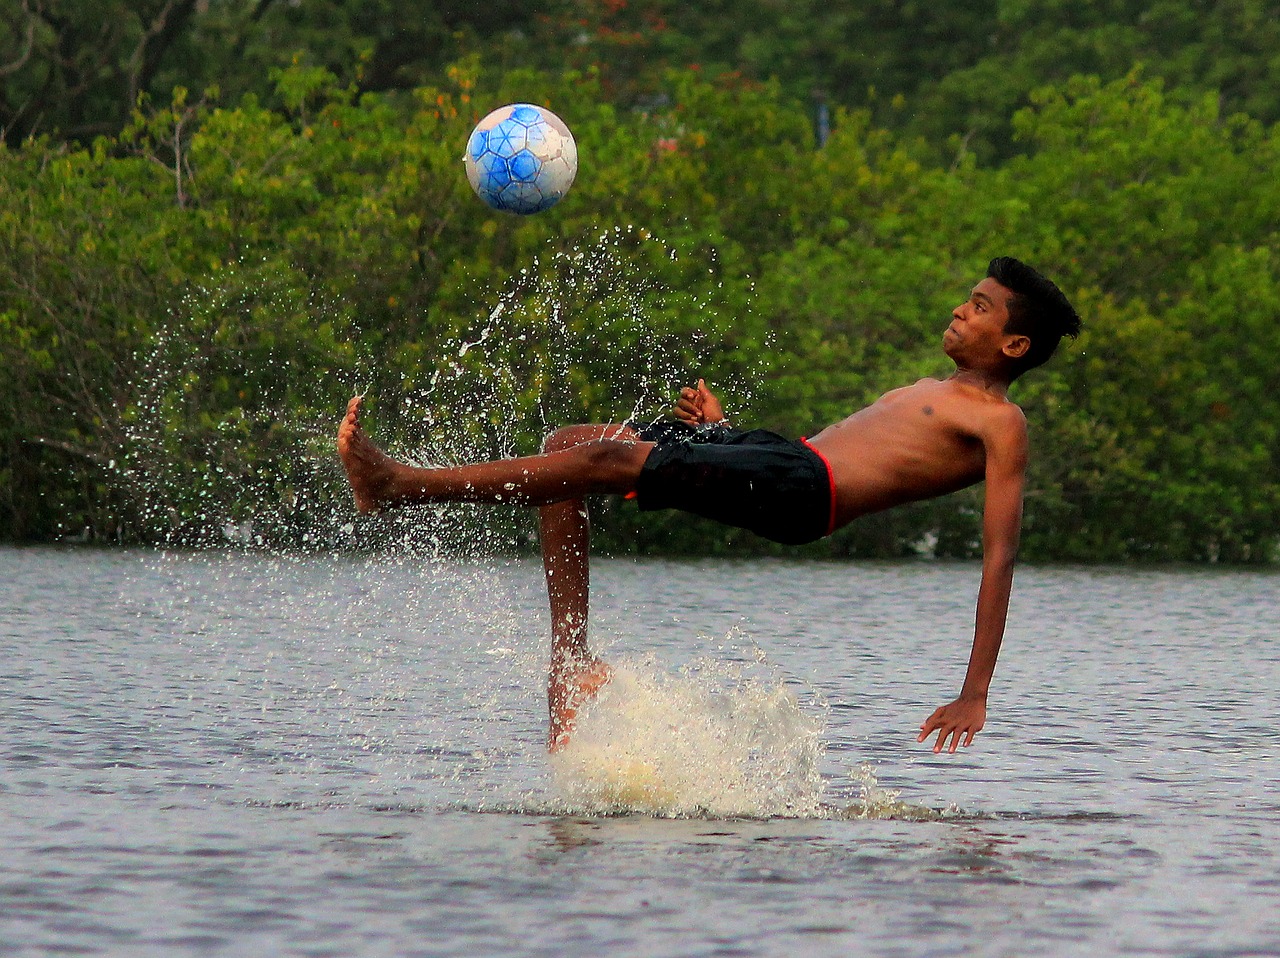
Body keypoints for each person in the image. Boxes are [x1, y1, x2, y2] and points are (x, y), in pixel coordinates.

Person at [337, 256, 1081, 754]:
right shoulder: (933, 389)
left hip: (805, 491)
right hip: (786, 457)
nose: (960, 308)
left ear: (1013, 345)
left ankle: (400, 485)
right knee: (575, 444)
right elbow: (838, 451)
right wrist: (721, 437)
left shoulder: (999, 423)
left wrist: (973, 692)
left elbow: (999, 556)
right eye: (968, 297)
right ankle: (568, 663)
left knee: (599, 461)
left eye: (979, 308)